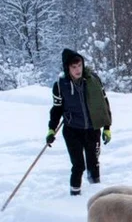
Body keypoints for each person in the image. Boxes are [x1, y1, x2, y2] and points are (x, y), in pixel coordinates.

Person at [46, 48, 112, 196]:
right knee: (78, 166)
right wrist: (51, 129)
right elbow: (56, 109)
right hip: (72, 131)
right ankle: (74, 197)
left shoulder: (93, 80)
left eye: (80, 66)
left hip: (92, 129)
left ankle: (96, 196)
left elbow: (104, 104)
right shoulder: (60, 85)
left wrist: (107, 127)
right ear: (67, 68)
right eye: (74, 67)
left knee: (93, 164)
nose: (78, 70)